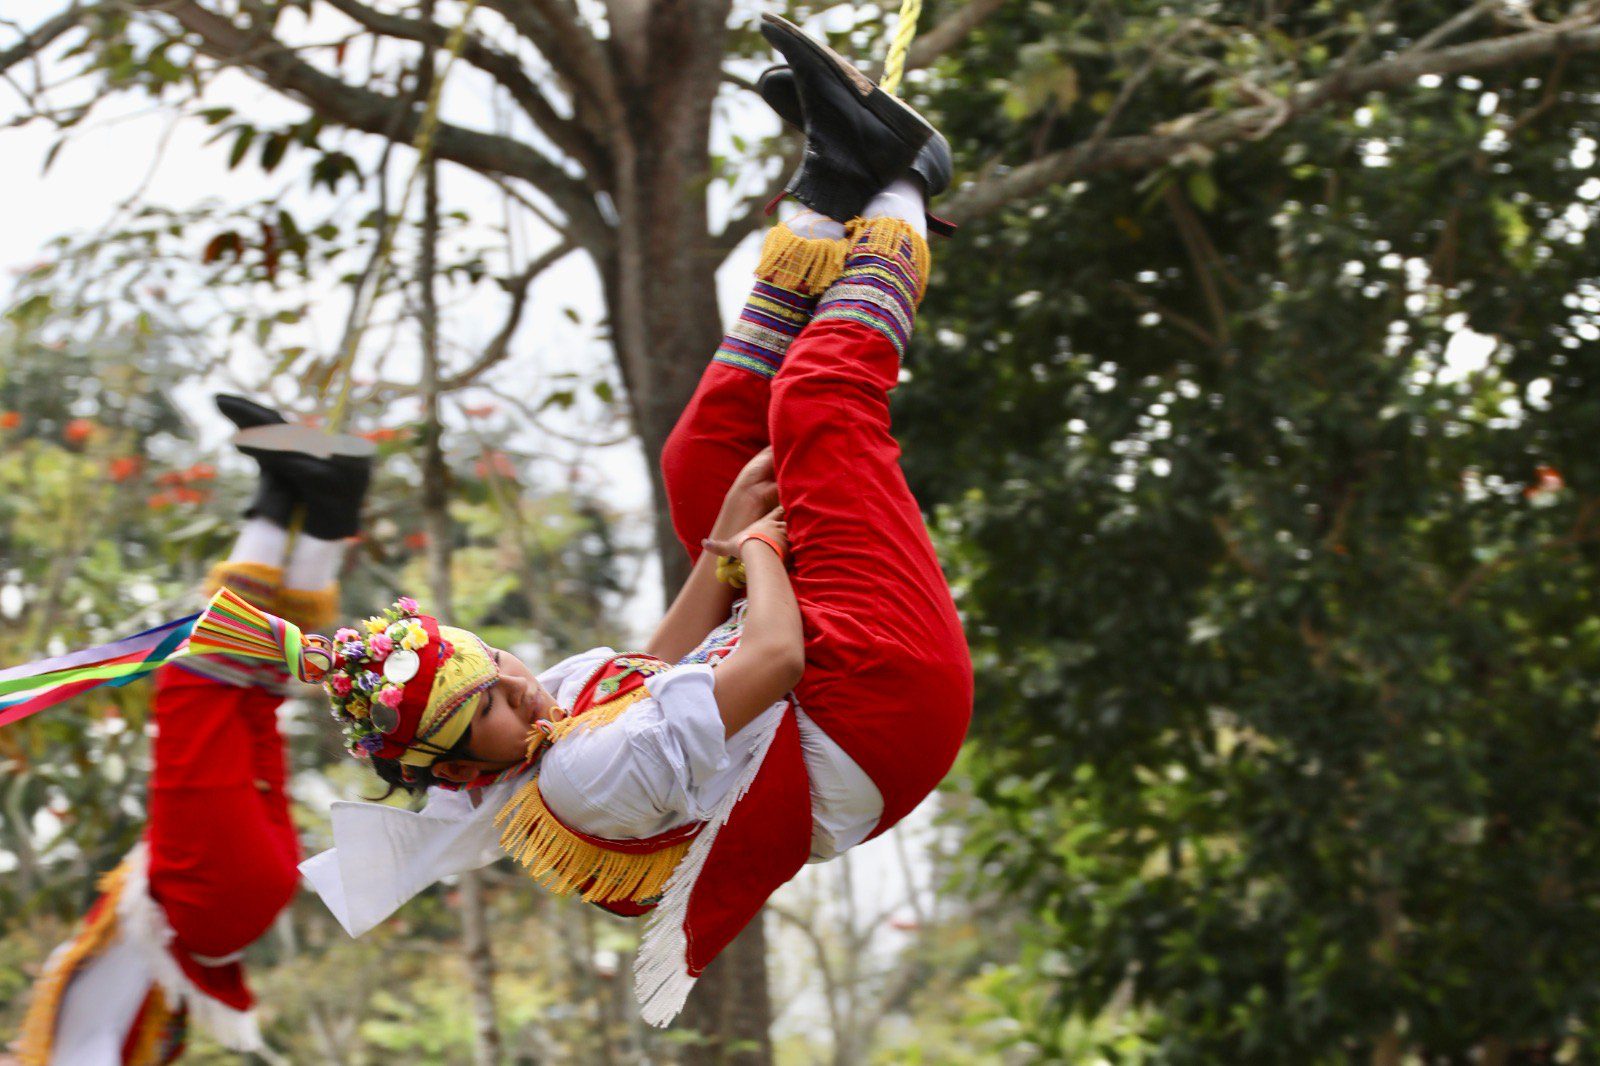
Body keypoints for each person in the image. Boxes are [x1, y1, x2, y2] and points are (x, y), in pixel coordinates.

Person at [298, 14, 973, 1025]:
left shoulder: (548, 726)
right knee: (815, 408)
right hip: (875, 718)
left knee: (700, 457)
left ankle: (831, 194)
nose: (518, 686)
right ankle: (903, 184)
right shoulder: (576, 773)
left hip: (799, 692)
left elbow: (658, 666)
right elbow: (775, 657)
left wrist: (719, 545)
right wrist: (756, 548)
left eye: (493, 665)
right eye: (488, 706)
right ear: (456, 768)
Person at [16, 397, 371, 1065]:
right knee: (194, 681)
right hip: (203, 902)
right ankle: (304, 497)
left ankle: (311, 505)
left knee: (250, 694)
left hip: (226, 899)